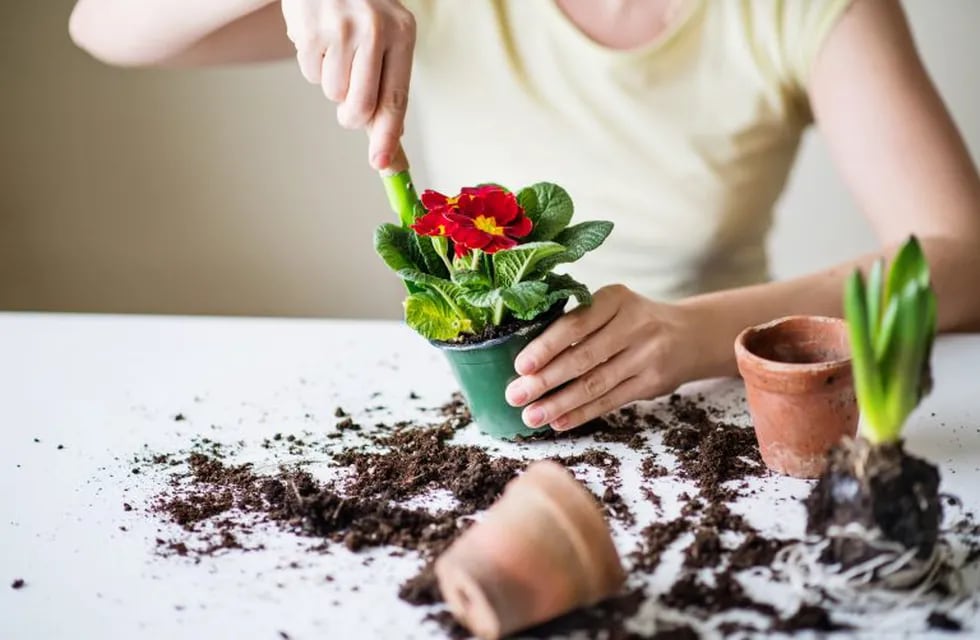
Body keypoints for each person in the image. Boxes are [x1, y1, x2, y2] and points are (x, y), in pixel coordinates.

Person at [69, 0, 980, 433]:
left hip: (709, 407)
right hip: (484, 414)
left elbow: (965, 258)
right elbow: (102, 29)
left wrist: (696, 336)